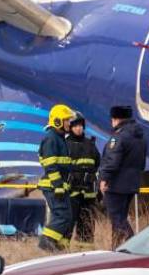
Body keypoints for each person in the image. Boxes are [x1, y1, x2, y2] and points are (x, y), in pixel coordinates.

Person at [99, 105, 146, 247]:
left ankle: (135, 245)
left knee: (118, 219)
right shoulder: (140, 137)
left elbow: (112, 161)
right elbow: (142, 163)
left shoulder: (119, 137)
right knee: (120, 219)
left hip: (116, 185)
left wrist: (104, 179)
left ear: (116, 119)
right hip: (132, 184)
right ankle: (117, 249)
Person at [36, 104, 74, 251]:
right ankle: (46, 241)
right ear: (57, 121)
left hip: (60, 186)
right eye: (66, 120)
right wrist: (58, 185)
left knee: (68, 217)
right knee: (62, 216)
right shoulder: (51, 139)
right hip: (53, 186)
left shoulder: (60, 138)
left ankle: (61, 247)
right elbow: (50, 165)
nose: (69, 123)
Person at [65, 113, 101, 243]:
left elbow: (97, 164)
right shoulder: (65, 144)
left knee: (87, 226)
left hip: (89, 194)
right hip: (72, 193)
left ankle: (85, 253)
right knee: (68, 224)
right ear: (70, 128)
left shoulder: (90, 144)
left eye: (80, 125)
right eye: (75, 126)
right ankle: (62, 253)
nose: (78, 128)